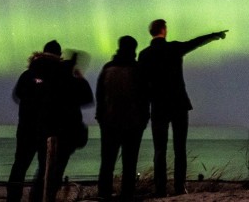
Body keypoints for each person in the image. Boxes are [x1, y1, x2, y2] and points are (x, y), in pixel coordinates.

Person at [138, 20, 227, 197]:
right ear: (164, 30)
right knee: (180, 149)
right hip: (178, 104)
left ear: (151, 32)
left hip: (158, 106)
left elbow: (142, 84)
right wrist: (214, 35)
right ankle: (179, 187)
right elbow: (195, 42)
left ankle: (160, 189)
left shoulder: (144, 54)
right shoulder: (174, 48)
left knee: (159, 150)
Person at [8, 40, 94, 202]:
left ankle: (13, 198)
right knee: (46, 169)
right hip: (50, 130)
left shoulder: (28, 75)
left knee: (19, 166)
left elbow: (18, 95)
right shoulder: (63, 76)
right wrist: (80, 78)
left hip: (27, 129)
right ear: (59, 56)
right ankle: (40, 197)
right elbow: (85, 98)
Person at [96, 35, 149, 200]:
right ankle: (127, 193)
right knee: (130, 162)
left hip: (109, 122)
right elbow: (144, 96)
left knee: (107, 161)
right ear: (134, 49)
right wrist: (144, 118)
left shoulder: (107, 68)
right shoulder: (138, 69)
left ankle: (104, 193)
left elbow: (100, 95)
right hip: (133, 123)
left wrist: (101, 117)